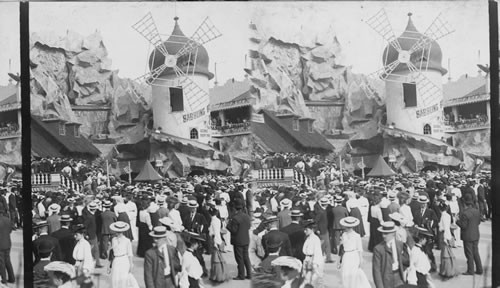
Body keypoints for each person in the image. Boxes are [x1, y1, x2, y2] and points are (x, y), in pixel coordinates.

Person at [372, 221, 409, 288]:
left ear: (393, 233)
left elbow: (403, 260)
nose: (383, 235)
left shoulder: (399, 244)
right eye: (383, 233)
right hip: (386, 280)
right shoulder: (378, 249)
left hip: (399, 278)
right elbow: (376, 271)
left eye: (386, 233)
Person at [338, 216, 371, 288]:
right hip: (346, 256)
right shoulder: (344, 235)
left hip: (354, 255)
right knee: (345, 273)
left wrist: (361, 260)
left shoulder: (357, 236)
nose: (347, 228)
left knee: (354, 274)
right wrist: (339, 260)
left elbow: (360, 249)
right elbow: (342, 248)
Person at [456, 193, 483, 276]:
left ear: (465, 203)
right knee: (475, 252)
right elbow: (478, 222)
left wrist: (457, 221)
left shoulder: (465, 213)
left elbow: (463, 226)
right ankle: (479, 269)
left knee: (469, 254)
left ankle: (470, 270)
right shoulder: (477, 211)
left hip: (467, 236)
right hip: (475, 234)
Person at [227, 199, 252, 280]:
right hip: (245, 239)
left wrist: (228, 225)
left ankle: (241, 275)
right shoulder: (247, 216)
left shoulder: (235, 218)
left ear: (235, 208)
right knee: (246, 257)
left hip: (238, 240)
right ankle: (249, 274)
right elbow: (248, 227)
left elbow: (233, 230)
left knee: (239, 259)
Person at [108, 221, 138, 288]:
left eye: (120, 232)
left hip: (124, 260)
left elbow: (130, 254)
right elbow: (112, 253)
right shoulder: (113, 240)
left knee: (124, 279)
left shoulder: (127, 241)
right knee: (115, 278)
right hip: (116, 261)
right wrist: (109, 265)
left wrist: (131, 264)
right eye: (117, 231)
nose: (118, 233)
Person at [437, 200, 456, 279]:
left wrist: (446, 238)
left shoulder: (444, 216)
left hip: (444, 235)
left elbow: (445, 228)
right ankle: (446, 270)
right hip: (446, 235)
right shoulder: (447, 215)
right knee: (446, 254)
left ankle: (446, 271)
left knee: (445, 255)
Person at [208, 205, 227, 283]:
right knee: (216, 258)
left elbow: (216, 232)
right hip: (215, 239)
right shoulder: (216, 220)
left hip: (215, 240)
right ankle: (215, 275)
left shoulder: (214, 221)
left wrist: (216, 242)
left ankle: (217, 276)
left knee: (216, 259)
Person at [302, 220, 324, 288]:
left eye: (306, 230)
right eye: (304, 230)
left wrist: (315, 264)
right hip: (307, 259)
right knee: (306, 280)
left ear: (312, 229)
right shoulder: (308, 238)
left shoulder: (315, 239)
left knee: (314, 281)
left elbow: (317, 252)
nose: (305, 231)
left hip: (313, 260)